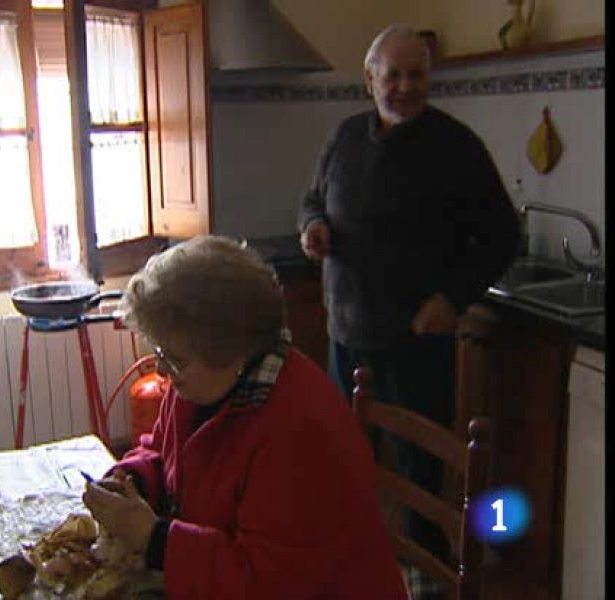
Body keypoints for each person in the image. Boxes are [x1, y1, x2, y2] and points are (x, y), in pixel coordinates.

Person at [297, 24, 520, 563]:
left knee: (420, 477)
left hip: (415, 345)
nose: (404, 87)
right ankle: (353, 567)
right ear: (370, 78)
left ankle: (428, 574)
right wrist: (312, 226)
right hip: (346, 335)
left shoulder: (456, 147)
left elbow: (502, 235)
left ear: (429, 78)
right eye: (392, 75)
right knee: (344, 465)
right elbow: (313, 198)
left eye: (416, 75)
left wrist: (452, 298)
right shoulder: (345, 137)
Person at [82, 235, 407, 599]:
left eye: (174, 359)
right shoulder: (199, 383)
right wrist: (135, 481)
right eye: (160, 352)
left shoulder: (302, 432)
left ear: (233, 352)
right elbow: (161, 452)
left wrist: (155, 539)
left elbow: (264, 583)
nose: (161, 369)